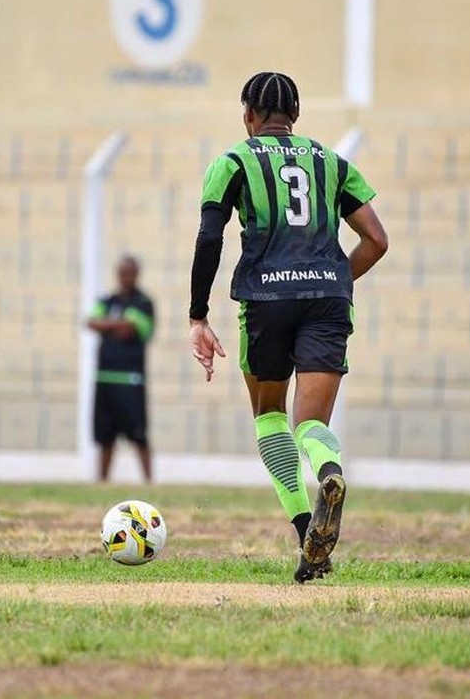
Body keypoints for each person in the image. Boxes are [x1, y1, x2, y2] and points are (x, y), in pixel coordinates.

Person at [187, 72, 388, 582]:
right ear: (295, 114)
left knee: (270, 415)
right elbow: (377, 240)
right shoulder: (333, 162)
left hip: (266, 299)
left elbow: (210, 238)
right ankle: (329, 472)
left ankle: (306, 532)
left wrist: (198, 315)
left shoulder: (232, 162)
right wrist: (335, 276)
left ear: (248, 114)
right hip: (327, 300)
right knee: (311, 424)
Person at [86, 255, 155, 482]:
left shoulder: (143, 303)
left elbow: (132, 328)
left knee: (138, 435)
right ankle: (102, 481)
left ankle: (148, 482)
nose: (125, 277)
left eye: (130, 273)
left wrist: (109, 326)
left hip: (131, 380)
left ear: (136, 274)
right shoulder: (107, 300)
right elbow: (91, 322)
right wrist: (117, 324)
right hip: (105, 378)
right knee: (105, 437)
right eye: (122, 273)